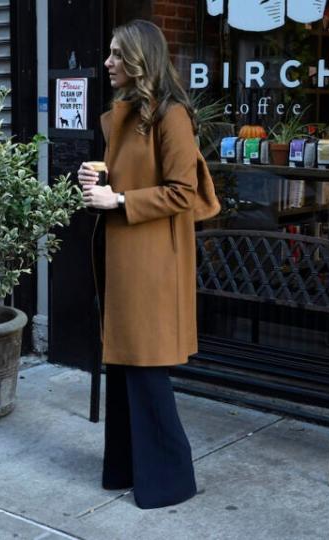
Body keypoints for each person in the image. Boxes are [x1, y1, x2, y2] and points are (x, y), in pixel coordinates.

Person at [77, 19, 218, 510]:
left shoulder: (171, 115)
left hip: (152, 259)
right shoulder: (130, 112)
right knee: (123, 366)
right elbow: (130, 178)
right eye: (110, 53)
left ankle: (170, 481)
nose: (108, 61)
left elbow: (183, 191)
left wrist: (117, 199)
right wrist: (98, 178)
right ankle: (125, 470)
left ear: (140, 59)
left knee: (146, 370)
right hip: (122, 253)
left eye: (117, 54)